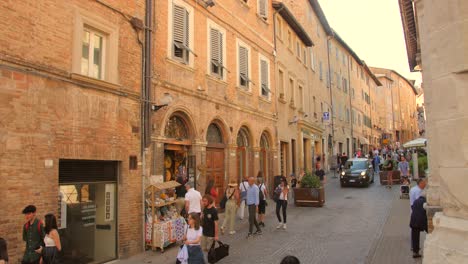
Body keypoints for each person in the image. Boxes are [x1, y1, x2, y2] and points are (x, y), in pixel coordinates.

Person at [410, 191, 428, 258]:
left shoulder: (415, 201)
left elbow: (413, 208)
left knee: (415, 237)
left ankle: (415, 252)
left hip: (413, 220)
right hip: (421, 221)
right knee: (431, 233)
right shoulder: (425, 202)